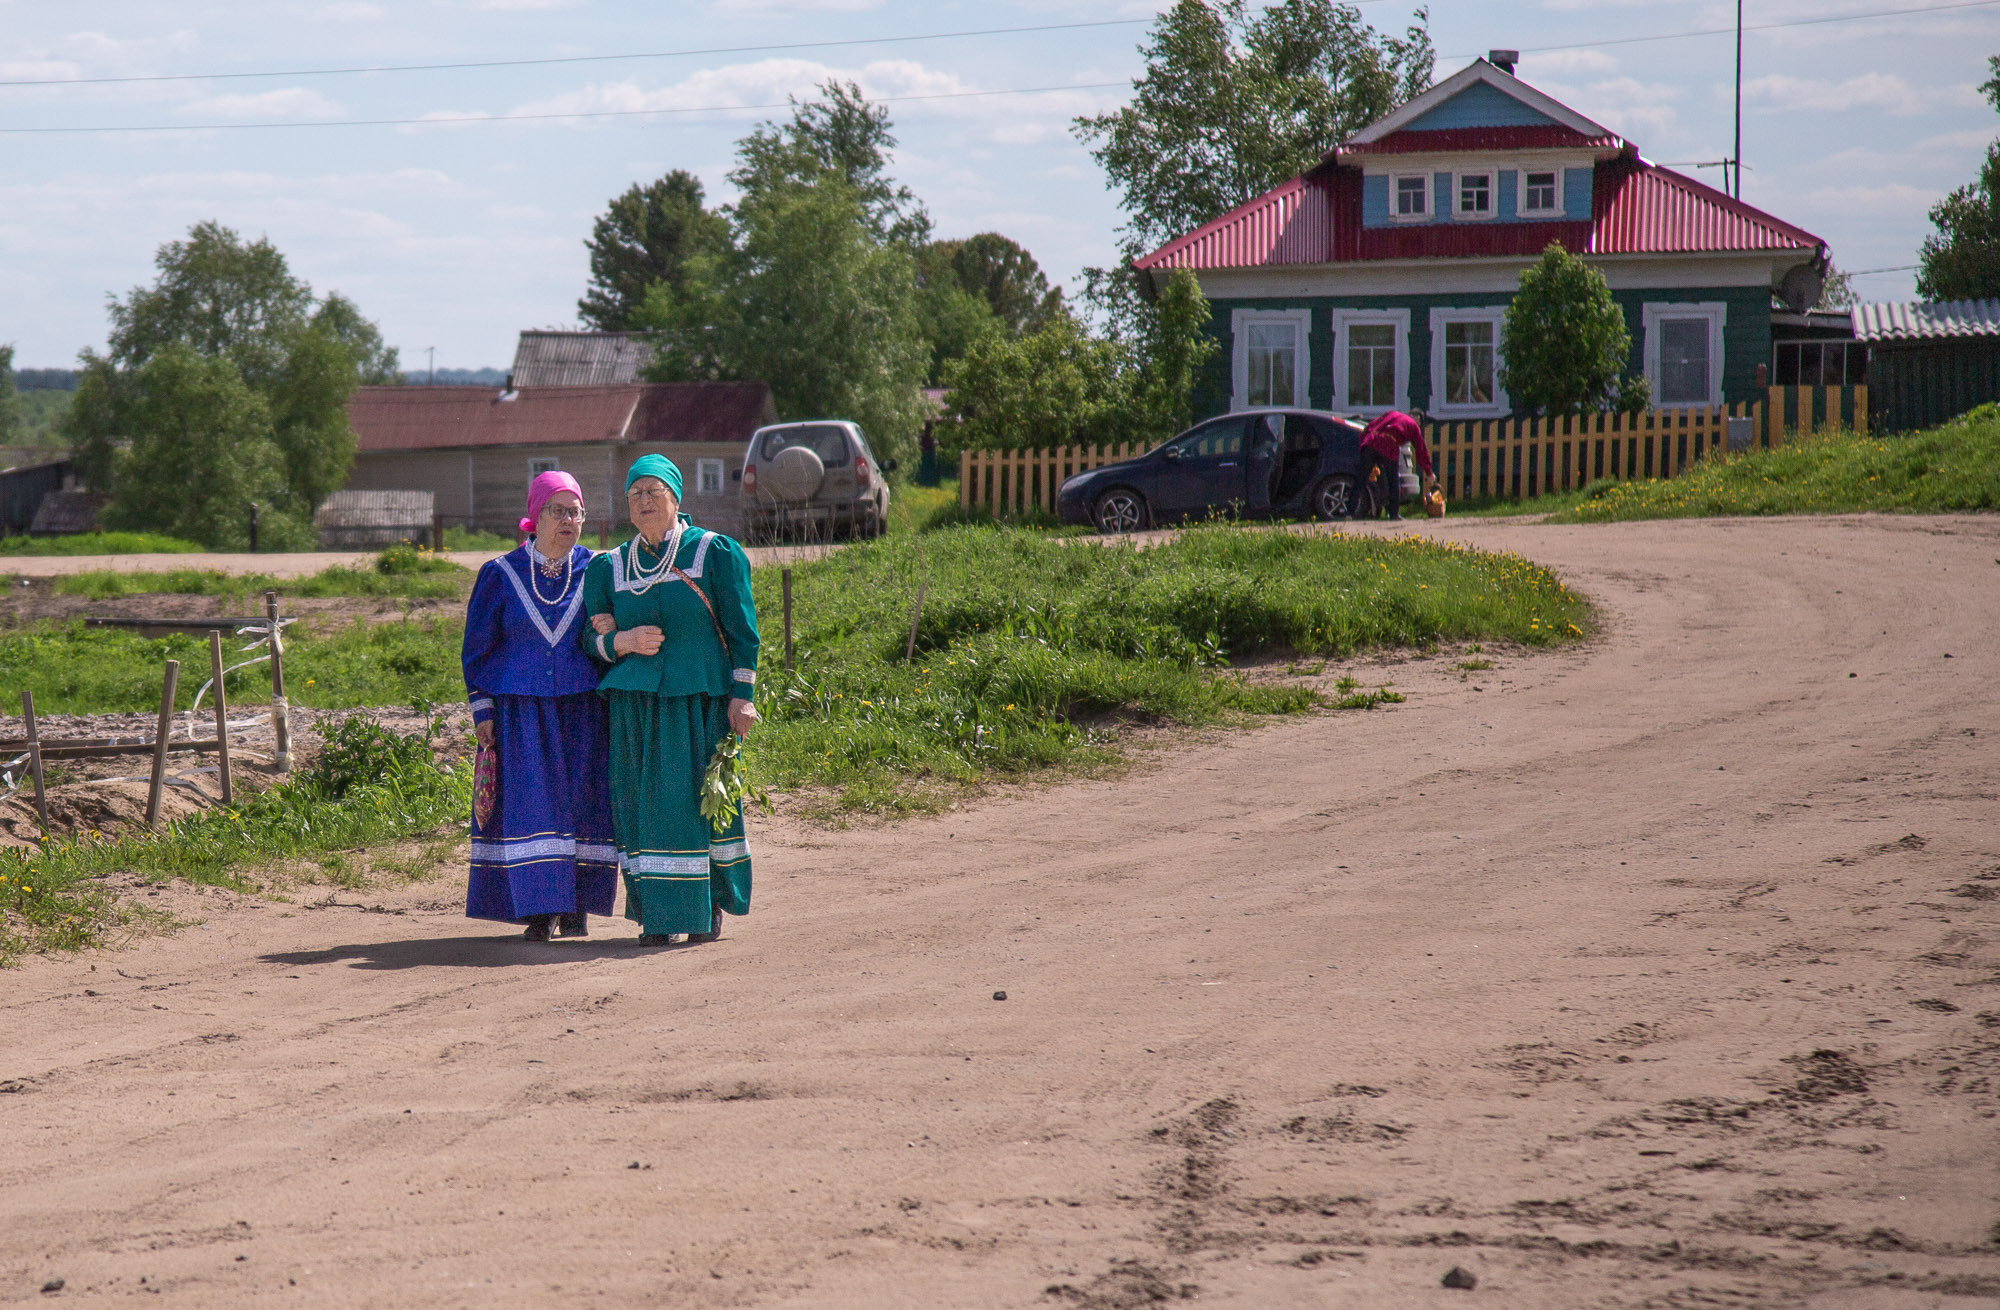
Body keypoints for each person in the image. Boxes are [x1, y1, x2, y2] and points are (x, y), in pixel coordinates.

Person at [582, 454, 760, 947]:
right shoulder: (609, 567)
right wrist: (621, 641)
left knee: (698, 805)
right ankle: (657, 916)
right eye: (634, 493)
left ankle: (706, 908)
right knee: (643, 808)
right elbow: (589, 642)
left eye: (653, 491)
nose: (643, 501)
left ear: (676, 498)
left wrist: (742, 696)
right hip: (636, 710)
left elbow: (743, 631)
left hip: (697, 703)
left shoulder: (713, 552)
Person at [460, 471, 617, 942]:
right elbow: (477, 650)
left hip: (585, 711)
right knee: (533, 807)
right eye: (557, 511)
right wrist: (483, 711)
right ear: (535, 514)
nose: (568, 520)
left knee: (585, 803)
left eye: (576, 512)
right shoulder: (499, 574)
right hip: (522, 715)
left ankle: (578, 907)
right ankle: (540, 909)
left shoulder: (600, 570)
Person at [1358, 410, 1438, 521]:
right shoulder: (1413, 425)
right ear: (1417, 419)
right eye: (1419, 422)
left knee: (1361, 479)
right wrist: (1429, 472)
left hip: (1371, 442)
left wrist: (1363, 440)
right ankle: (1393, 513)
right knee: (1393, 482)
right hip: (1388, 445)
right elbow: (1421, 450)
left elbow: (1371, 425)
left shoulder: (1392, 414)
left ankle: (1350, 512)